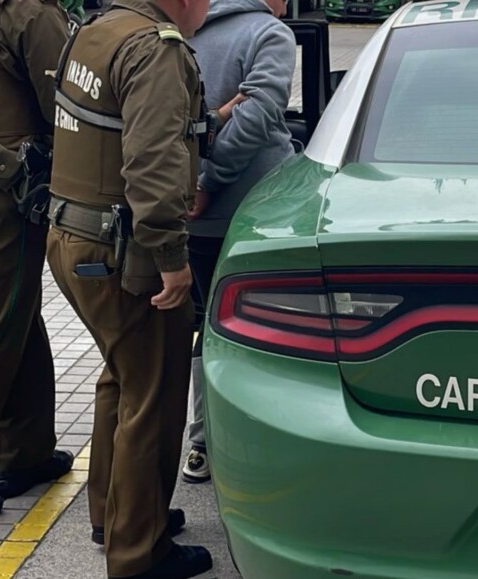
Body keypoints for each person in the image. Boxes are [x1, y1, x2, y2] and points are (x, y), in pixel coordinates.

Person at [45, 0, 223, 575]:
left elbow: (112, 123)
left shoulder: (97, 30)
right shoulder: (156, 47)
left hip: (72, 237)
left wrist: (208, 117)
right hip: (126, 253)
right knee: (155, 394)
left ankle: (115, 515)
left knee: (121, 379)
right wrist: (171, 256)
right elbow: (150, 161)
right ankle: (139, 552)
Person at [181, 0, 296, 484]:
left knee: (205, 331)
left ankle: (200, 442)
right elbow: (258, 114)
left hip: (192, 219)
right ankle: (256, 443)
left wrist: (193, 183)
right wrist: (210, 181)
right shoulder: (268, 33)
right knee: (262, 332)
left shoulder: (182, 28)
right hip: (254, 216)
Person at [0, 0, 74, 523]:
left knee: (15, 312)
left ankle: (27, 451)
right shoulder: (27, 10)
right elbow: (68, 105)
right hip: (4, 190)